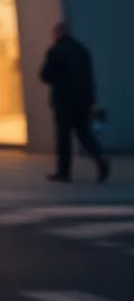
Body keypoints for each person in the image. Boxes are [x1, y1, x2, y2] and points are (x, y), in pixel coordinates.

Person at [40, 23, 110, 183]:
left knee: (63, 137)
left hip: (63, 101)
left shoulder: (55, 51)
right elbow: (89, 77)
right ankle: (99, 155)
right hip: (83, 100)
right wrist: (91, 99)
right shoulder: (82, 50)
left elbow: (45, 75)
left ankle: (64, 172)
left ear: (57, 34)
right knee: (84, 133)